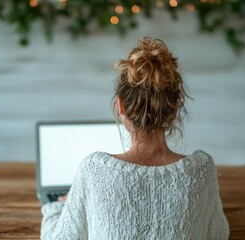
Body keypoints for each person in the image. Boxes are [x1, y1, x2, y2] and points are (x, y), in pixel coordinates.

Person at [40, 37, 230, 239]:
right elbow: (218, 233)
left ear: (120, 106)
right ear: (175, 107)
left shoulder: (93, 170)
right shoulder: (202, 170)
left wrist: (57, 209)